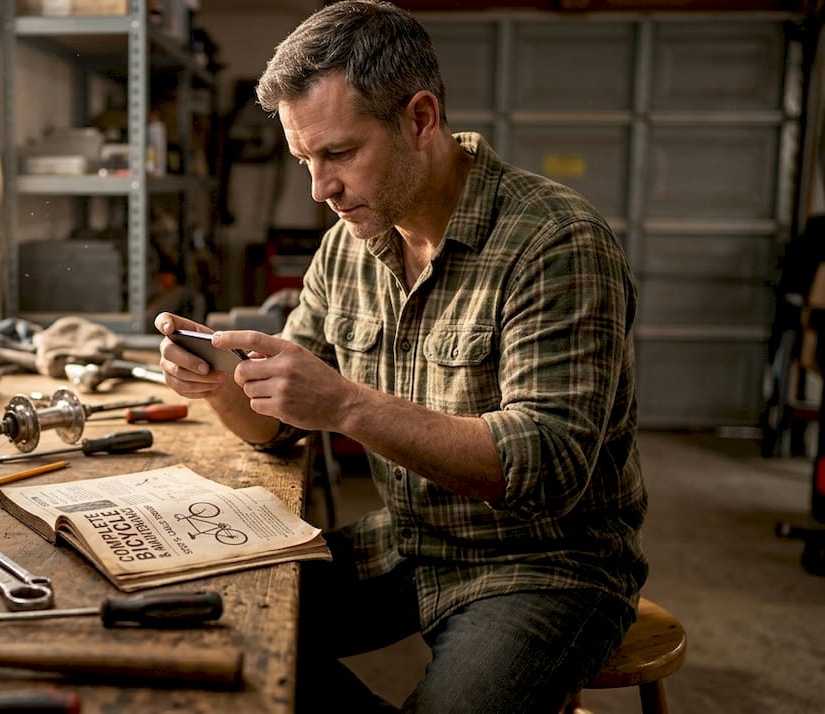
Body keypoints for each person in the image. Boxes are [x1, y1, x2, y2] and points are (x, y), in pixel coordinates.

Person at [154, 2, 648, 712]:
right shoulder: (348, 244)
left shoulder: (557, 242)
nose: (319, 190)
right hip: (408, 544)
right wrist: (222, 387)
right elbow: (283, 429)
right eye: (304, 161)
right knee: (206, 628)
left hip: (546, 565)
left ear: (420, 119)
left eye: (339, 154)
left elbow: (548, 468)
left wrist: (346, 404)